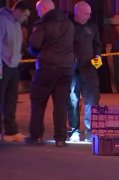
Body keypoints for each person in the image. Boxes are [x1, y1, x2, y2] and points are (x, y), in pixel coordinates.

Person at [25, 0, 74, 147]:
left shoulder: (43, 24)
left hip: (47, 67)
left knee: (38, 101)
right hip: (66, 68)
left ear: (44, 9)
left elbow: (34, 45)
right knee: (61, 104)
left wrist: (35, 51)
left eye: (39, 11)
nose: (38, 13)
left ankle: (36, 135)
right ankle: (60, 138)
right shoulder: (69, 24)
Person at [68, 1, 101, 142]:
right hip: (72, 69)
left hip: (89, 69)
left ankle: (91, 131)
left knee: (92, 100)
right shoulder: (68, 27)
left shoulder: (92, 27)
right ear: (78, 13)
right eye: (86, 13)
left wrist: (98, 55)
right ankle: (74, 130)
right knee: (73, 100)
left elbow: (97, 44)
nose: (89, 16)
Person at [0, 0, 31, 142]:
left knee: (11, 99)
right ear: (17, 10)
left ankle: (11, 131)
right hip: (3, 66)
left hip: (14, 66)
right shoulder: (2, 20)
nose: (25, 18)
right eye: (24, 15)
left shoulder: (17, 23)